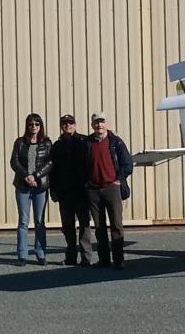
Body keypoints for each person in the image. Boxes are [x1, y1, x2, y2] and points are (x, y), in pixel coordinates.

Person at [84, 110, 133, 269]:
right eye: (96, 122)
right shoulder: (87, 143)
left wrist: (119, 180)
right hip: (93, 190)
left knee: (116, 225)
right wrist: (86, 183)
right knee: (99, 227)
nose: (99, 125)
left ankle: (118, 259)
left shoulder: (116, 142)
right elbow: (81, 166)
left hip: (112, 188)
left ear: (107, 124)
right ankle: (104, 259)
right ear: (92, 125)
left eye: (102, 121)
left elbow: (127, 164)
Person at [49, 113, 92, 266]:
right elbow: (52, 170)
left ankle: (86, 258)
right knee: (67, 227)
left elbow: (90, 165)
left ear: (75, 124)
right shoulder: (57, 145)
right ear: (61, 126)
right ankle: (71, 257)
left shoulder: (84, 141)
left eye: (70, 122)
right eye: (65, 123)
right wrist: (53, 191)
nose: (68, 125)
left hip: (81, 191)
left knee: (84, 225)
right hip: (64, 192)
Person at [10, 112, 53, 265]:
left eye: (36, 124)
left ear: (40, 126)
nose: (33, 127)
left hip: (40, 187)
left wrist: (36, 176)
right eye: (31, 124)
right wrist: (26, 176)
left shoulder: (47, 143)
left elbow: (50, 163)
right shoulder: (20, 142)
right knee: (23, 221)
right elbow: (14, 162)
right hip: (23, 186)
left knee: (40, 221)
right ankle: (22, 254)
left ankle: (40, 253)